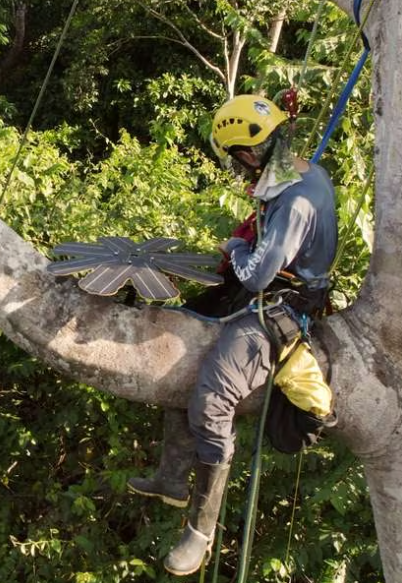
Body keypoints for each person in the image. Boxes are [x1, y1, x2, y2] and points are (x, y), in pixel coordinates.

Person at [126, 94, 339, 576]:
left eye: (238, 160)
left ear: (247, 153)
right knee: (179, 332)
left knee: (212, 399)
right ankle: (172, 477)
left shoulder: (295, 200)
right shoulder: (302, 174)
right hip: (280, 287)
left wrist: (236, 245)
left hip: (278, 304)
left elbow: (259, 275)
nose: (240, 170)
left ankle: (200, 531)